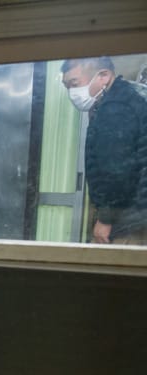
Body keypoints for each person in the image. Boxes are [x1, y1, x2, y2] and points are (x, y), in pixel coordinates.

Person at [60, 57, 147, 245]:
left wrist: (106, 219)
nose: (71, 92)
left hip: (128, 220)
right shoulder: (130, 97)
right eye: (67, 86)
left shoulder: (116, 108)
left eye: (74, 83)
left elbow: (118, 170)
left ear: (104, 76)